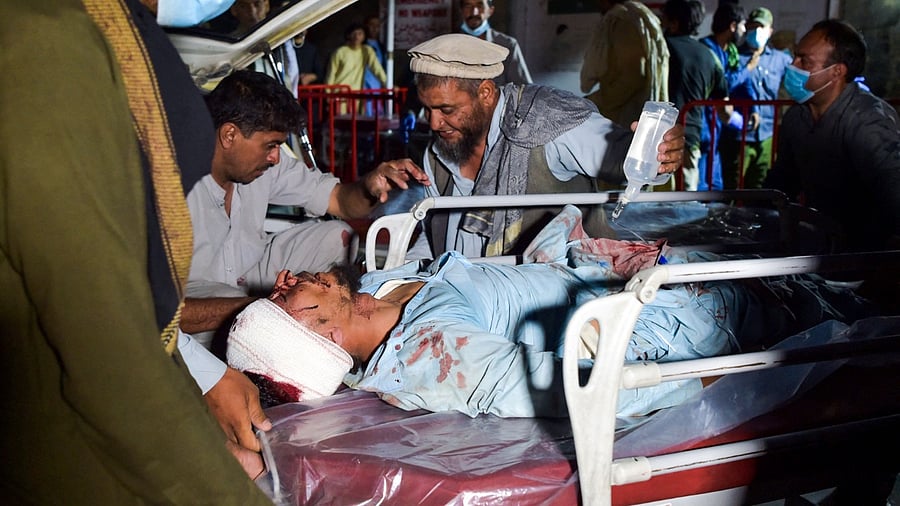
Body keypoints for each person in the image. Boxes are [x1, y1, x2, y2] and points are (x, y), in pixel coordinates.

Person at [225, 206, 869, 418]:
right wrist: (726, 381)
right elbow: (573, 390)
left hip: (625, 283)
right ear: (321, 335)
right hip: (684, 318)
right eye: (283, 298)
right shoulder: (432, 353)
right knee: (845, 305)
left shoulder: (379, 288)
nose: (284, 279)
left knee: (827, 271)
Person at [2, 0, 271, 502]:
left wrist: (201, 402)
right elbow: (106, 347)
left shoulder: (109, 26)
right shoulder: (43, 37)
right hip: (66, 447)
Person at [182, 69, 429, 349]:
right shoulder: (170, 184)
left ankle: (330, 330)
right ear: (229, 135)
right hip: (192, 296)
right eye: (270, 146)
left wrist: (370, 186)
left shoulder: (265, 166)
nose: (276, 157)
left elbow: (338, 199)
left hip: (252, 269)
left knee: (338, 237)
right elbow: (160, 309)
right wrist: (273, 306)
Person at [407, 33, 685, 260]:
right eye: (427, 109)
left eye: (446, 109)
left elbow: (621, 155)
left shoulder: (547, 118)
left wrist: (659, 153)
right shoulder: (439, 154)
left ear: (486, 94)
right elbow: (435, 238)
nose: (433, 123)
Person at [765, 19, 900, 254]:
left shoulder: (867, 121)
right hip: (820, 242)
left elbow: (893, 194)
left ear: (837, 71)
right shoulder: (796, 118)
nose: (792, 65)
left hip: (866, 250)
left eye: (804, 60)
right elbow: (783, 182)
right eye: (795, 56)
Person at [720, 7, 792, 190]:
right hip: (739, 134)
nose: (756, 31)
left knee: (761, 188)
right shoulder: (734, 56)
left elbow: (800, 79)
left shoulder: (780, 59)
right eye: (753, 26)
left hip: (767, 134)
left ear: (770, 31)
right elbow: (726, 86)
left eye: (761, 26)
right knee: (733, 187)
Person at [661, 0, 728, 191]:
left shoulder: (662, 50)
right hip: (690, 136)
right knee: (685, 197)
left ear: (674, 22)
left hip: (658, 136)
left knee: (653, 200)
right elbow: (723, 100)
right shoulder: (708, 55)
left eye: (663, 19)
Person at [579, 0, 670, 126]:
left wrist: (593, 102)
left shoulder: (624, 22)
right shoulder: (640, 17)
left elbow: (632, 77)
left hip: (626, 117)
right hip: (637, 114)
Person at [697, 2, 748, 191]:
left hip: (716, 125)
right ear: (733, 26)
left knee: (715, 183)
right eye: (743, 25)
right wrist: (748, 69)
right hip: (704, 123)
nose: (744, 30)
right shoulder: (707, 50)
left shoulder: (729, 52)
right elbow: (722, 84)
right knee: (701, 183)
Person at [231, 0, 301, 97]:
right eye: (244, 6)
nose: (252, 11)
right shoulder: (231, 45)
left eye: (257, 4)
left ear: (267, 5)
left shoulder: (280, 36)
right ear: (234, 10)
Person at [458, 0, 533, 85]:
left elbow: (524, 89)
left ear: (490, 10)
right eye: (468, 6)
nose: (474, 12)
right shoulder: (450, 46)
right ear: (461, 11)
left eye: (480, 6)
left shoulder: (507, 45)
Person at [326, 22, 388, 114]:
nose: (357, 36)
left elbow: (377, 69)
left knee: (357, 123)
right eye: (354, 33)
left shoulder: (367, 51)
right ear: (349, 35)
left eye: (360, 33)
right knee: (340, 123)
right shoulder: (340, 52)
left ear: (364, 36)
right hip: (340, 94)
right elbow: (331, 74)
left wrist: (387, 83)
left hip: (357, 95)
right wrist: (328, 94)